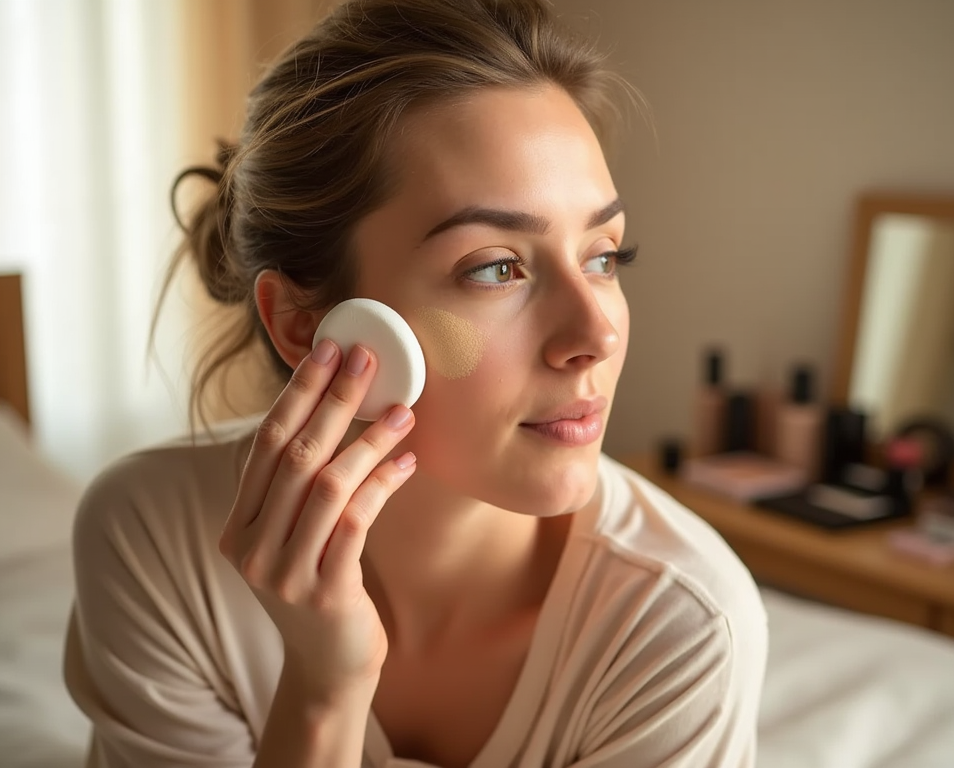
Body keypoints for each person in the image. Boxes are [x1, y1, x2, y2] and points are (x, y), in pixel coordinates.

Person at [63, 0, 768, 766]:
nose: (595, 335)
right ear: (305, 321)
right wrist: (325, 688)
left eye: (604, 256)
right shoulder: (151, 540)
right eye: (497, 267)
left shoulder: (682, 624)